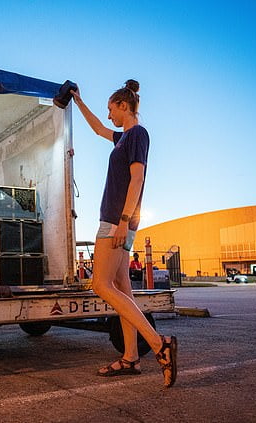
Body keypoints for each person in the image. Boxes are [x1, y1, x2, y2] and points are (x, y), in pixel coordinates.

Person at [71, 80, 177, 387]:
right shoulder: (122, 138)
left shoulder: (137, 135)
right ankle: (131, 357)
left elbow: (137, 178)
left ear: (123, 105)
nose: (108, 116)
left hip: (117, 221)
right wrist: (78, 102)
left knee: (100, 285)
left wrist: (123, 219)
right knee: (122, 290)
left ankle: (159, 345)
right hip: (119, 220)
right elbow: (97, 130)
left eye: (110, 109)